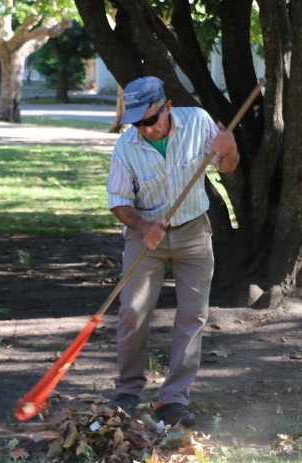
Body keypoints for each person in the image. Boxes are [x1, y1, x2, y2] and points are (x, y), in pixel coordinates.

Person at [106, 76, 240, 427]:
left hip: (194, 230)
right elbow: (119, 202)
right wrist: (142, 227)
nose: (145, 129)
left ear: (166, 107)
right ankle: (128, 392)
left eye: (150, 120)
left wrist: (229, 149)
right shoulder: (126, 147)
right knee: (133, 312)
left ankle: (174, 399)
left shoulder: (197, 120)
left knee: (192, 316)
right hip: (145, 235)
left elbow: (227, 167)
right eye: (137, 122)